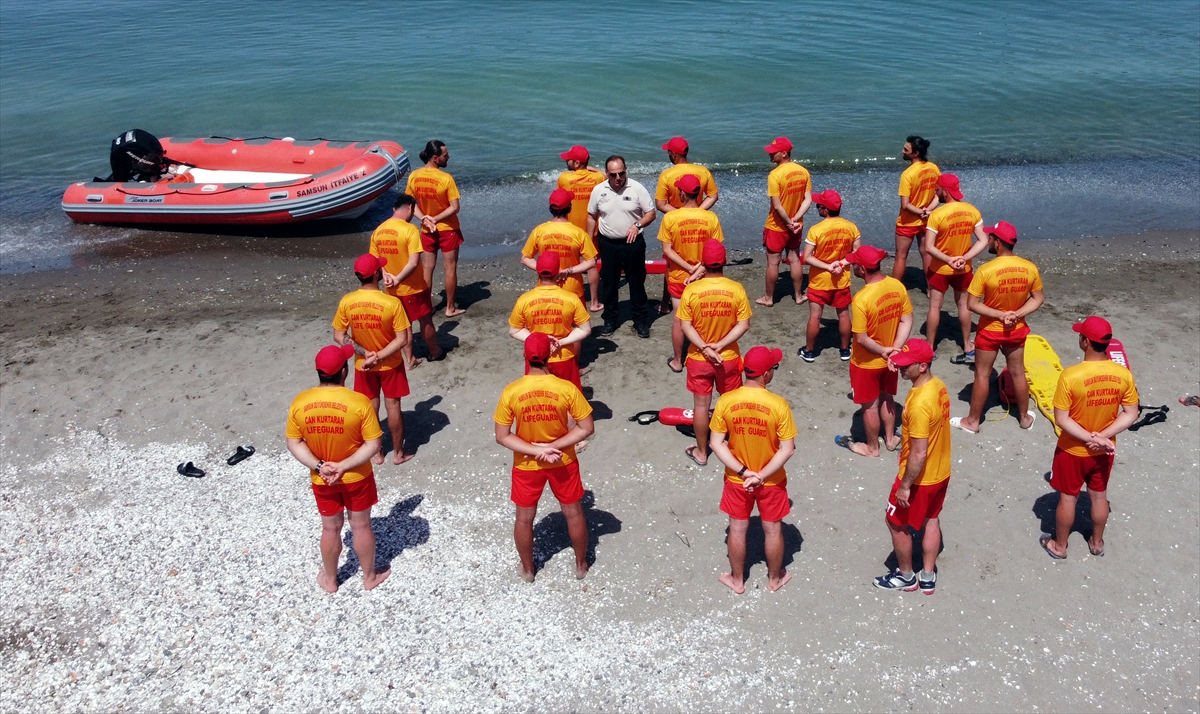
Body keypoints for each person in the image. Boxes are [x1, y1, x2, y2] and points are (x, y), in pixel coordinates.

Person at [286, 343, 389, 593]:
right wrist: (343, 466)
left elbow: (293, 442)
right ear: (344, 371)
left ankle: (331, 580)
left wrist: (320, 465)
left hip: (322, 478)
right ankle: (369, 577)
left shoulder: (301, 402)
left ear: (319, 372)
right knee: (361, 526)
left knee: (330, 528)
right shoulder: (359, 402)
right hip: (356, 476)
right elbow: (373, 444)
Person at [494, 332, 596, 582]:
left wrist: (537, 450)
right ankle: (581, 564)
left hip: (526, 464)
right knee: (573, 513)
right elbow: (586, 428)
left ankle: (529, 570)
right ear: (550, 355)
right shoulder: (566, 388)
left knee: (524, 518)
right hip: (563, 460)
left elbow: (502, 436)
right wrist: (555, 446)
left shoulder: (512, 391)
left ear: (524, 356)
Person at [1040, 316, 1139, 560]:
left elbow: (1062, 419)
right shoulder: (1122, 374)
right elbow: (1131, 413)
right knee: (1099, 496)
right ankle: (1096, 543)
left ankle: (1059, 546)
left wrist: (1088, 438)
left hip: (1073, 449)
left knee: (1068, 498)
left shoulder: (1071, 376)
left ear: (1085, 341)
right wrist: (1102, 438)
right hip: (1104, 450)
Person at [708, 345, 797, 594]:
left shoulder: (727, 400)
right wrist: (760, 475)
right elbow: (787, 449)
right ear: (766, 374)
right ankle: (774, 579)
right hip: (771, 480)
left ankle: (737, 580)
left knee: (737, 528)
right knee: (773, 529)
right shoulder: (778, 405)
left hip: (737, 480)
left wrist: (744, 472)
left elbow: (716, 443)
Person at [873, 338, 951, 595]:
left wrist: (905, 486)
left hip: (919, 478)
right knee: (931, 519)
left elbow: (919, 452)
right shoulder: (938, 387)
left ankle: (906, 576)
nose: (902, 368)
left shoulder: (918, 403)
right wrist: (898, 360)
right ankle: (928, 575)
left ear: (923, 366)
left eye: (907, 365)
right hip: (941, 472)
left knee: (894, 521)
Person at [952, 221, 1045, 433]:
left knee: (982, 375)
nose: (987, 241)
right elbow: (1038, 298)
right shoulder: (1029, 267)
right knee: (1018, 373)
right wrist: (1016, 314)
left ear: (999, 243)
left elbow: (972, 304)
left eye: (990, 238)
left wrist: (1000, 315)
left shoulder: (986, 270)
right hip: (1016, 329)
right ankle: (1024, 418)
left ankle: (973, 421)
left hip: (990, 332)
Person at [332, 254, 414, 465]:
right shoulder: (391, 302)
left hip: (363, 364)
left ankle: (376, 453)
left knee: (370, 408)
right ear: (377, 274)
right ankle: (398, 453)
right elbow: (402, 339)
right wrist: (379, 356)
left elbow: (339, 336)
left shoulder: (347, 301)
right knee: (393, 406)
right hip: (390, 364)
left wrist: (365, 352)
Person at [676, 240, 751, 466]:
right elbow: (743, 324)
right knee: (731, 404)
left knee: (701, 406)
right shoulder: (736, 289)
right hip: (727, 357)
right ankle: (735, 449)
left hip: (700, 358)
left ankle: (701, 452)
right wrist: (719, 345)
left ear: (703, 263)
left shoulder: (692, 290)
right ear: (725, 261)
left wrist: (706, 348)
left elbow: (685, 326)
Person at [839, 245, 913, 458]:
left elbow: (861, 338)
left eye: (854, 264)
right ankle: (890, 439)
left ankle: (872, 448)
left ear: (862, 269)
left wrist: (883, 351)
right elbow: (907, 319)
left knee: (870, 406)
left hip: (867, 362)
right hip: (891, 359)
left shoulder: (862, 298)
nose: (851, 266)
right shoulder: (896, 286)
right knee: (887, 398)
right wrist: (895, 350)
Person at [660, 174, 726, 374]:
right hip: (705, 274)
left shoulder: (671, 218)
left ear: (681, 193)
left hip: (680, 276)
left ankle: (678, 361)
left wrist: (689, 269)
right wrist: (698, 269)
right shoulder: (710, 218)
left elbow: (667, 250)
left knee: (680, 320)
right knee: (704, 316)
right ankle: (706, 354)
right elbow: (716, 250)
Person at [369, 194, 444, 368]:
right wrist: (398, 279)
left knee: (403, 326)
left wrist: (387, 275)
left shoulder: (378, 230)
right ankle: (434, 351)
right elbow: (413, 262)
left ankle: (409, 359)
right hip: (413, 287)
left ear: (394, 209)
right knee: (425, 321)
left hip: (391, 290)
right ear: (410, 208)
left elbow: (375, 260)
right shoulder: (409, 230)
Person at [587, 156, 657, 338]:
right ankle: (610, 319)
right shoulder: (598, 190)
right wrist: (588, 242)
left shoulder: (637, 188)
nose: (618, 178)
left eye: (621, 173)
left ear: (626, 170)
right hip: (608, 243)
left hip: (633, 244)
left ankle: (640, 320)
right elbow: (591, 216)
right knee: (609, 283)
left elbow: (651, 213)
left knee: (636, 282)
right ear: (607, 173)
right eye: (613, 174)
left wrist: (638, 225)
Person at [922, 173, 990, 360]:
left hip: (940, 268)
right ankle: (968, 345)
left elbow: (928, 247)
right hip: (964, 268)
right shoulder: (972, 211)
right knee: (964, 306)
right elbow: (983, 240)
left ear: (945, 191)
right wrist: (963, 258)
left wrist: (948, 260)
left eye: (937, 190)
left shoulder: (937, 214)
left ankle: (929, 347)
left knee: (935, 307)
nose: (935, 193)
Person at [508, 252, 593, 390]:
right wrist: (562, 342)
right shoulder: (571, 299)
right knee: (570, 400)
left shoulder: (524, 299)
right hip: (563, 356)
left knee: (539, 396)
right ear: (557, 272)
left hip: (535, 358)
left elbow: (514, 330)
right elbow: (586, 329)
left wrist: (539, 339)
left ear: (538, 272)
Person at [655, 136, 719, 314]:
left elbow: (660, 204)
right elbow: (713, 195)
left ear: (673, 154)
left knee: (672, 264)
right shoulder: (702, 171)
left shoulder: (667, 175)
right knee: (701, 256)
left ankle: (666, 303)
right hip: (700, 221)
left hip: (675, 224)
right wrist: (699, 210)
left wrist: (678, 214)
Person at [405, 140, 466, 318]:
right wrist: (435, 218)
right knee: (450, 268)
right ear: (435, 157)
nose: (448, 157)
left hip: (427, 230)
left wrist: (424, 218)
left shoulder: (415, 176)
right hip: (448, 229)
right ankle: (450, 308)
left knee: (427, 268)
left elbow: (410, 203)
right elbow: (455, 207)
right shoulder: (446, 178)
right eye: (445, 155)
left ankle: (426, 307)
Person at [799, 189, 860, 362]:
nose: (817, 208)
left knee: (815, 316)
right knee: (843, 315)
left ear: (825, 210)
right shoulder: (851, 227)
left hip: (820, 281)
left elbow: (808, 257)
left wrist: (828, 266)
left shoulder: (816, 230)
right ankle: (844, 349)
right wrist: (841, 264)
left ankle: (810, 351)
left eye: (819, 206)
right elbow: (857, 252)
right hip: (841, 279)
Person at [757, 136, 812, 307]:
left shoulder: (775, 175)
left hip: (777, 226)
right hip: (797, 225)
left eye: (774, 152)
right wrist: (796, 219)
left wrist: (788, 221)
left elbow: (777, 206)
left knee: (773, 261)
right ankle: (798, 295)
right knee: (794, 259)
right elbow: (807, 199)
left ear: (784, 153)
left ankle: (769, 298)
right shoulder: (803, 171)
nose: (770, 155)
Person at [520, 188, 598, 305]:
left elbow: (525, 258)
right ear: (570, 208)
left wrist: (548, 270)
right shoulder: (578, 233)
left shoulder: (539, 231)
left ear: (551, 208)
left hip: (546, 288)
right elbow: (591, 261)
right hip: (572, 289)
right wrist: (568, 271)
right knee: (578, 322)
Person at [556, 145, 607, 311]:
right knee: (591, 264)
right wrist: (592, 169)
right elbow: (608, 177)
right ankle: (594, 302)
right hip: (592, 229)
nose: (566, 161)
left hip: (570, 229)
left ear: (576, 163)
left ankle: (562, 294)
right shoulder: (597, 179)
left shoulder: (565, 178)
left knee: (564, 263)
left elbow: (559, 200)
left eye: (569, 159)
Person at [893, 135, 940, 283]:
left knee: (901, 255)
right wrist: (928, 211)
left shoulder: (907, 175)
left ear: (916, 153)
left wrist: (921, 212)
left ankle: (895, 289)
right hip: (926, 219)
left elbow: (905, 205)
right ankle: (931, 290)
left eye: (906, 149)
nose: (902, 151)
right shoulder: (933, 168)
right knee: (927, 253)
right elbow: (940, 193)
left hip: (908, 221)